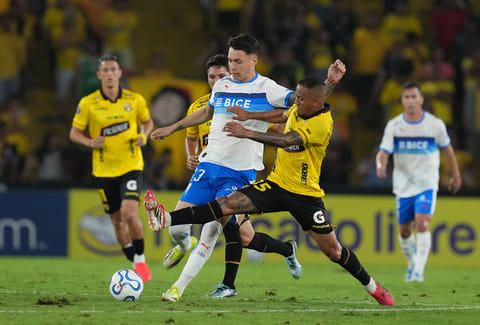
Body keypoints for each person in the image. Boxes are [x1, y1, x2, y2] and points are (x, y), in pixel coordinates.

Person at [145, 73, 395, 306]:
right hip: (275, 185)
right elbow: (280, 115)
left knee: (334, 251)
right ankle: (166, 218)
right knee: (228, 205)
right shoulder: (303, 107)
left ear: (316, 102)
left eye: (300, 98)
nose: (294, 102)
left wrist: (248, 131)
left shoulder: (321, 124)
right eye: (295, 96)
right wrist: (248, 115)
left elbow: (287, 140)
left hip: (305, 196)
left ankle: (373, 288)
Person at [146, 36, 306, 302]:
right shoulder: (222, 85)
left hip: (239, 173)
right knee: (193, 231)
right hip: (209, 166)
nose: (232, 66)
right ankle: (183, 239)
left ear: (254, 60)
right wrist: (173, 128)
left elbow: (296, 105)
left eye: (237, 61)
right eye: (230, 60)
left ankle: (178, 288)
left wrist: (254, 118)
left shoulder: (267, 88)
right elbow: (206, 114)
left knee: (214, 228)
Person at [69, 54, 154, 282]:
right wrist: (89, 142)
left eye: (112, 69)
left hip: (130, 165)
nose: (108, 74)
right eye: (104, 70)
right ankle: (134, 260)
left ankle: (141, 257)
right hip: (103, 170)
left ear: (119, 73)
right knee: (116, 220)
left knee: (129, 213)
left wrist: (144, 136)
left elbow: (148, 122)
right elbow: (74, 133)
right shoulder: (88, 103)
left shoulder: (134, 100)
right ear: (99, 75)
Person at [376, 82, 461, 282]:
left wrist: (456, 174)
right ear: (402, 101)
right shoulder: (394, 126)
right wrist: (381, 165)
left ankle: (418, 272)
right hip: (403, 185)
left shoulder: (435, 125)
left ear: (421, 99)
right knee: (405, 231)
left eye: (414, 97)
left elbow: (448, 150)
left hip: (427, 183)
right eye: (407, 97)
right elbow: (383, 151)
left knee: (422, 223)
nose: (411, 101)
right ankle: (412, 262)